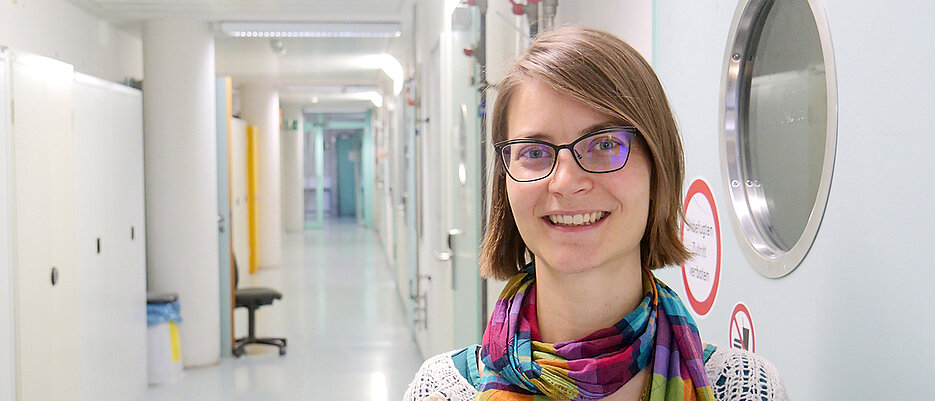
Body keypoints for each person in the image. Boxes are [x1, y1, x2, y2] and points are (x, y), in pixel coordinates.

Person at [404, 25, 786, 401]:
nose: (565, 183)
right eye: (534, 152)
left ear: (657, 167)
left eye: (604, 144)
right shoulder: (443, 391)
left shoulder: (744, 390)